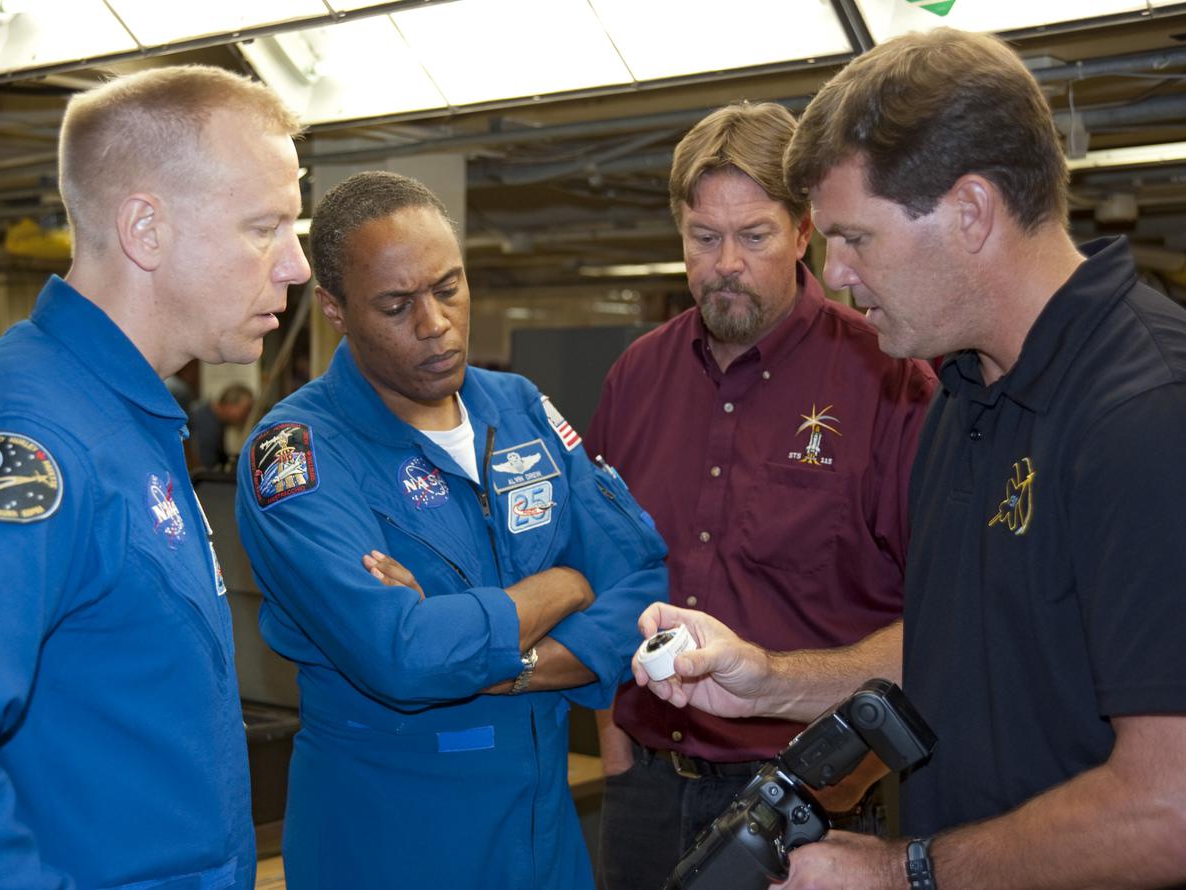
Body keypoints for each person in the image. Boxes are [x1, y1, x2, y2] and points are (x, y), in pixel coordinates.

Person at [635, 27, 1186, 890]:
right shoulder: (960, 396)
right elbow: (950, 653)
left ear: (969, 212)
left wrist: (905, 872)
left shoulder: (1145, 412)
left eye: (854, 238)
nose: (839, 275)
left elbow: (1171, 809)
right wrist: (766, 681)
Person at [0, 66, 310, 888]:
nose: (297, 266)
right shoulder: (28, 439)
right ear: (146, 230)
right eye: (264, 227)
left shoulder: (124, 418)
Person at [234, 170, 669, 890]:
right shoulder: (299, 455)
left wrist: (501, 661)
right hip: (394, 847)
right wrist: (565, 584)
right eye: (397, 305)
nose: (434, 323)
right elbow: (405, 655)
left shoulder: (519, 408)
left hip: (542, 843)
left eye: (449, 287)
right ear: (335, 310)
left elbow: (642, 580)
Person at [586, 102, 935, 889]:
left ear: (805, 231)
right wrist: (614, 742)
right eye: (704, 239)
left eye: (754, 236)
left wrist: (857, 772)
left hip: (808, 802)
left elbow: (944, 616)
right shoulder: (637, 377)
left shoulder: (889, 379)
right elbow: (600, 568)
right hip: (644, 785)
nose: (726, 264)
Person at [188, 382, 256, 470]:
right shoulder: (207, 426)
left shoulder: (213, 418)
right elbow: (205, 467)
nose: (246, 417)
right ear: (229, 405)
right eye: (246, 410)